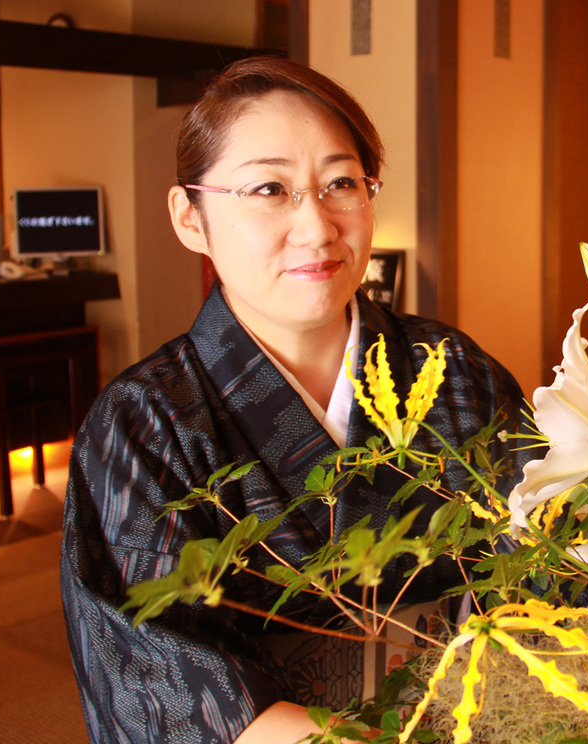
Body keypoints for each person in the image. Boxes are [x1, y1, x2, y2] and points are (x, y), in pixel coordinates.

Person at [60, 56, 533, 744]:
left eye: (341, 182)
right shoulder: (145, 424)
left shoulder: (453, 369)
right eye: (269, 189)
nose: (316, 228)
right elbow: (164, 689)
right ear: (190, 217)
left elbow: (549, 564)